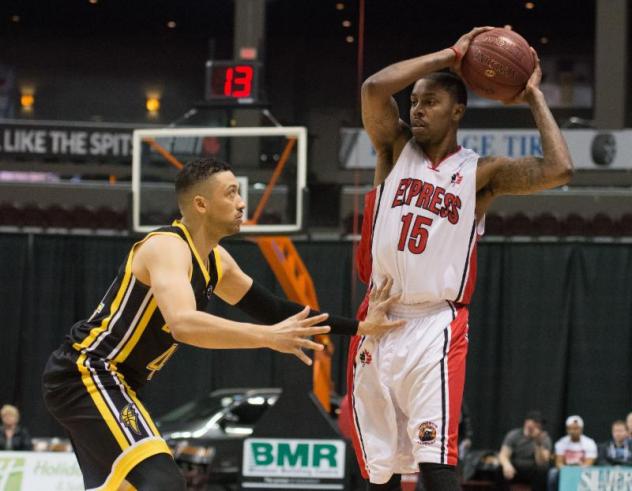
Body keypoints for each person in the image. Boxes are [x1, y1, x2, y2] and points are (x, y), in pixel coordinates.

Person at [42, 158, 404, 491]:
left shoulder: (217, 260)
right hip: (88, 372)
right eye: (231, 193)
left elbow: (275, 309)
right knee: (163, 483)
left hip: (119, 382)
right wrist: (267, 338)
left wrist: (359, 327)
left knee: (133, 487)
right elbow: (183, 324)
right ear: (201, 204)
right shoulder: (167, 248)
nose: (242, 202)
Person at [348, 25, 573, 491]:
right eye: (414, 101)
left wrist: (532, 96)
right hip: (380, 317)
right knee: (381, 468)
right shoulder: (395, 149)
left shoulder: (479, 172)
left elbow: (559, 169)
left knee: (437, 459)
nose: (418, 109)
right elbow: (374, 88)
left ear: (458, 111)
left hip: (436, 324)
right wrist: (450, 55)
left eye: (430, 102)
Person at [498, 411, 551, 491]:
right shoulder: (514, 435)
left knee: (543, 471)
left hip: (532, 469)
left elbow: (541, 462)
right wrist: (506, 465)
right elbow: (503, 454)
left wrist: (538, 443)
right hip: (515, 468)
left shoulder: (544, 438)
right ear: (526, 422)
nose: (538, 425)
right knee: (499, 469)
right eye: (535, 422)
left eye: (539, 423)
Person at [547, 415, 597, 491]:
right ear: (567, 429)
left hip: (583, 471)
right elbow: (558, 463)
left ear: (581, 429)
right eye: (570, 429)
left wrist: (577, 469)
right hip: (565, 470)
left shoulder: (589, 443)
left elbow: (589, 464)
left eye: (576, 428)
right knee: (553, 473)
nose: (573, 431)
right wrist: (568, 469)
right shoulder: (561, 443)